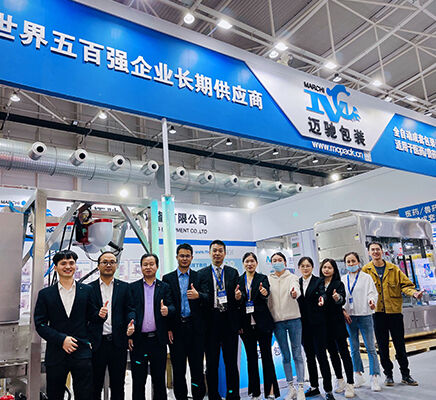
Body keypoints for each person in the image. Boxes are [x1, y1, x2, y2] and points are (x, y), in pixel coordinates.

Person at [34, 250, 106, 400]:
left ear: (75, 265)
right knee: (55, 395)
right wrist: (62, 339)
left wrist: (101, 316)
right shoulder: (46, 294)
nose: (68, 266)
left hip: (82, 353)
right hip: (56, 354)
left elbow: (93, 318)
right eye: (63, 263)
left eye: (71, 263)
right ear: (55, 267)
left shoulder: (87, 291)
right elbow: (40, 324)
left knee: (85, 395)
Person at [362, 242, 424, 387]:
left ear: (382, 251)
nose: (376, 252)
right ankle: (388, 375)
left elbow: (406, 285)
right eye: (373, 250)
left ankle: (405, 375)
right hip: (377, 314)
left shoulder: (393, 269)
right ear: (369, 253)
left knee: (400, 345)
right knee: (382, 346)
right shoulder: (366, 271)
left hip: (394, 313)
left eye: (378, 249)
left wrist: (414, 293)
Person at [162, 243, 208, 400]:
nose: (184, 258)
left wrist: (199, 295)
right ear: (176, 257)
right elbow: (167, 305)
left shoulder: (199, 277)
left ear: (192, 258)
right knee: (178, 369)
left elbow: (208, 298)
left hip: (195, 329)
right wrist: (168, 328)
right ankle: (181, 397)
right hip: (176, 330)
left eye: (187, 256)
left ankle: (198, 397)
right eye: (181, 256)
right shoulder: (168, 278)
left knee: (197, 369)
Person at [88, 251, 136, 400]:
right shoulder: (89, 288)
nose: (108, 265)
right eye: (105, 262)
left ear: (116, 265)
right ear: (98, 266)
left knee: (118, 385)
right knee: (94, 385)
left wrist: (131, 322)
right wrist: (98, 315)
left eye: (112, 262)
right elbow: (86, 315)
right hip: (97, 344)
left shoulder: (124, 287)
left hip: (118, 343)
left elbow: (130, 309)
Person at [198, 240, 241, 400]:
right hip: (211, 323)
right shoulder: (201, 274)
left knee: (231, 363)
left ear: (225, 253)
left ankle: (233, 395)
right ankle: (214, 396)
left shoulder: (232, 272)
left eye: (220, 251)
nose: (217, 253)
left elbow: (239, 298)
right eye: (214, 251)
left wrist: (238, 297)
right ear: (210, 253)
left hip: (229, 322)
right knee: (212, 364)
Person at [129, 254, 175, 400]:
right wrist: (129, 334)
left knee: (159, 379)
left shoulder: (164, 287)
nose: (148, 267)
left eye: (151, 264)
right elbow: (130, 310)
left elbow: (172, 306)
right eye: (145, 264)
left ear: (157, 266)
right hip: (139, 341)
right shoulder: (133, 287)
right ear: (141, 267)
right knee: (138, 380)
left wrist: (168, 310)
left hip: (158, 341)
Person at [238, 252, 280, 400]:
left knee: (267, 357)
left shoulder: (262, 278)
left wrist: (264, 292)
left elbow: (265, 294)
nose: (250, 264)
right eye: (247, 261)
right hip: (246, 326)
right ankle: (255, 392)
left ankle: (271, 391)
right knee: (251, 360)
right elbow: (237, 304)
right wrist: (237, 298)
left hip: (263, 324)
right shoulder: (238, 280)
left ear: (256, 263)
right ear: (243, 263)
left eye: (252, 261)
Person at [267, 252, 305, 400]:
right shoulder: (268, 279)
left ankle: (300, 386)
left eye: (280, 260)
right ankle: (291, 388)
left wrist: (295, 293)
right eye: (274, 260)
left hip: (294, 319)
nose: (277, 262)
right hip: (277, 322)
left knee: (297, 354)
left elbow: (296, 289)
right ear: (271, 263)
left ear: (284, 262)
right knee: (285, 356)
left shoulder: (292, 277)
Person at [341, 252, 381, 392]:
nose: (351, 264)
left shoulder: (366, 278)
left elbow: (372, 293)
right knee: (353, 348)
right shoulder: (343, 279)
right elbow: (341, 298)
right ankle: (358, 375)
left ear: (358, 262)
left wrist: (371, 301)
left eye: (353, 261)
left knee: (370, 348)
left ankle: (374, 377)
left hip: (365, 315)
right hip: (349, 317)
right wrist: (343, 311)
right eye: (348, 262)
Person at [297, 256, 335, 400]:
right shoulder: (297, 282)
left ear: (312, 267)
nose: (305, 268)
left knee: (322, 357)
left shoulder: (318, 281)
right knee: (309, 357)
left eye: (308, 265)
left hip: (318, 325)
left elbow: (323, 293)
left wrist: (322, 299)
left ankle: (328, 390)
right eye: (302, 266)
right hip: (303, 326)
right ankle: (314, 386)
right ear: (299, 268)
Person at [319, 259, 354, 398]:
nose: (326, 270)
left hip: (337, 322)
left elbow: (342, 300)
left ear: (334, 270)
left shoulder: (338, 284)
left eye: (329, 267)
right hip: (324, 324)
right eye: (324, 267)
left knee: (344, 353)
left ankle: (350, 383)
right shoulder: (319, 283)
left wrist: (337, 297)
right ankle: (340, 380)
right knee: (332, 354)